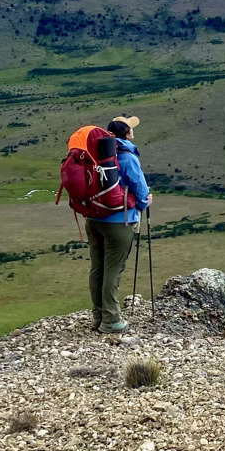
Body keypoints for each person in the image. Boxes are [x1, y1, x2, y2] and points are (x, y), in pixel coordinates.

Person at [86, 114, 151, 334]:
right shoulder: (127, 156)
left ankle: (98, 317)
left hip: (93, 218)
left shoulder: (97, 153)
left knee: (98, 268)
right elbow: (140, 188)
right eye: (131, 128)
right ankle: (111, 320)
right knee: (113, 270)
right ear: (127, 133)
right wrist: (145, 202)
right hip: (118, 221)